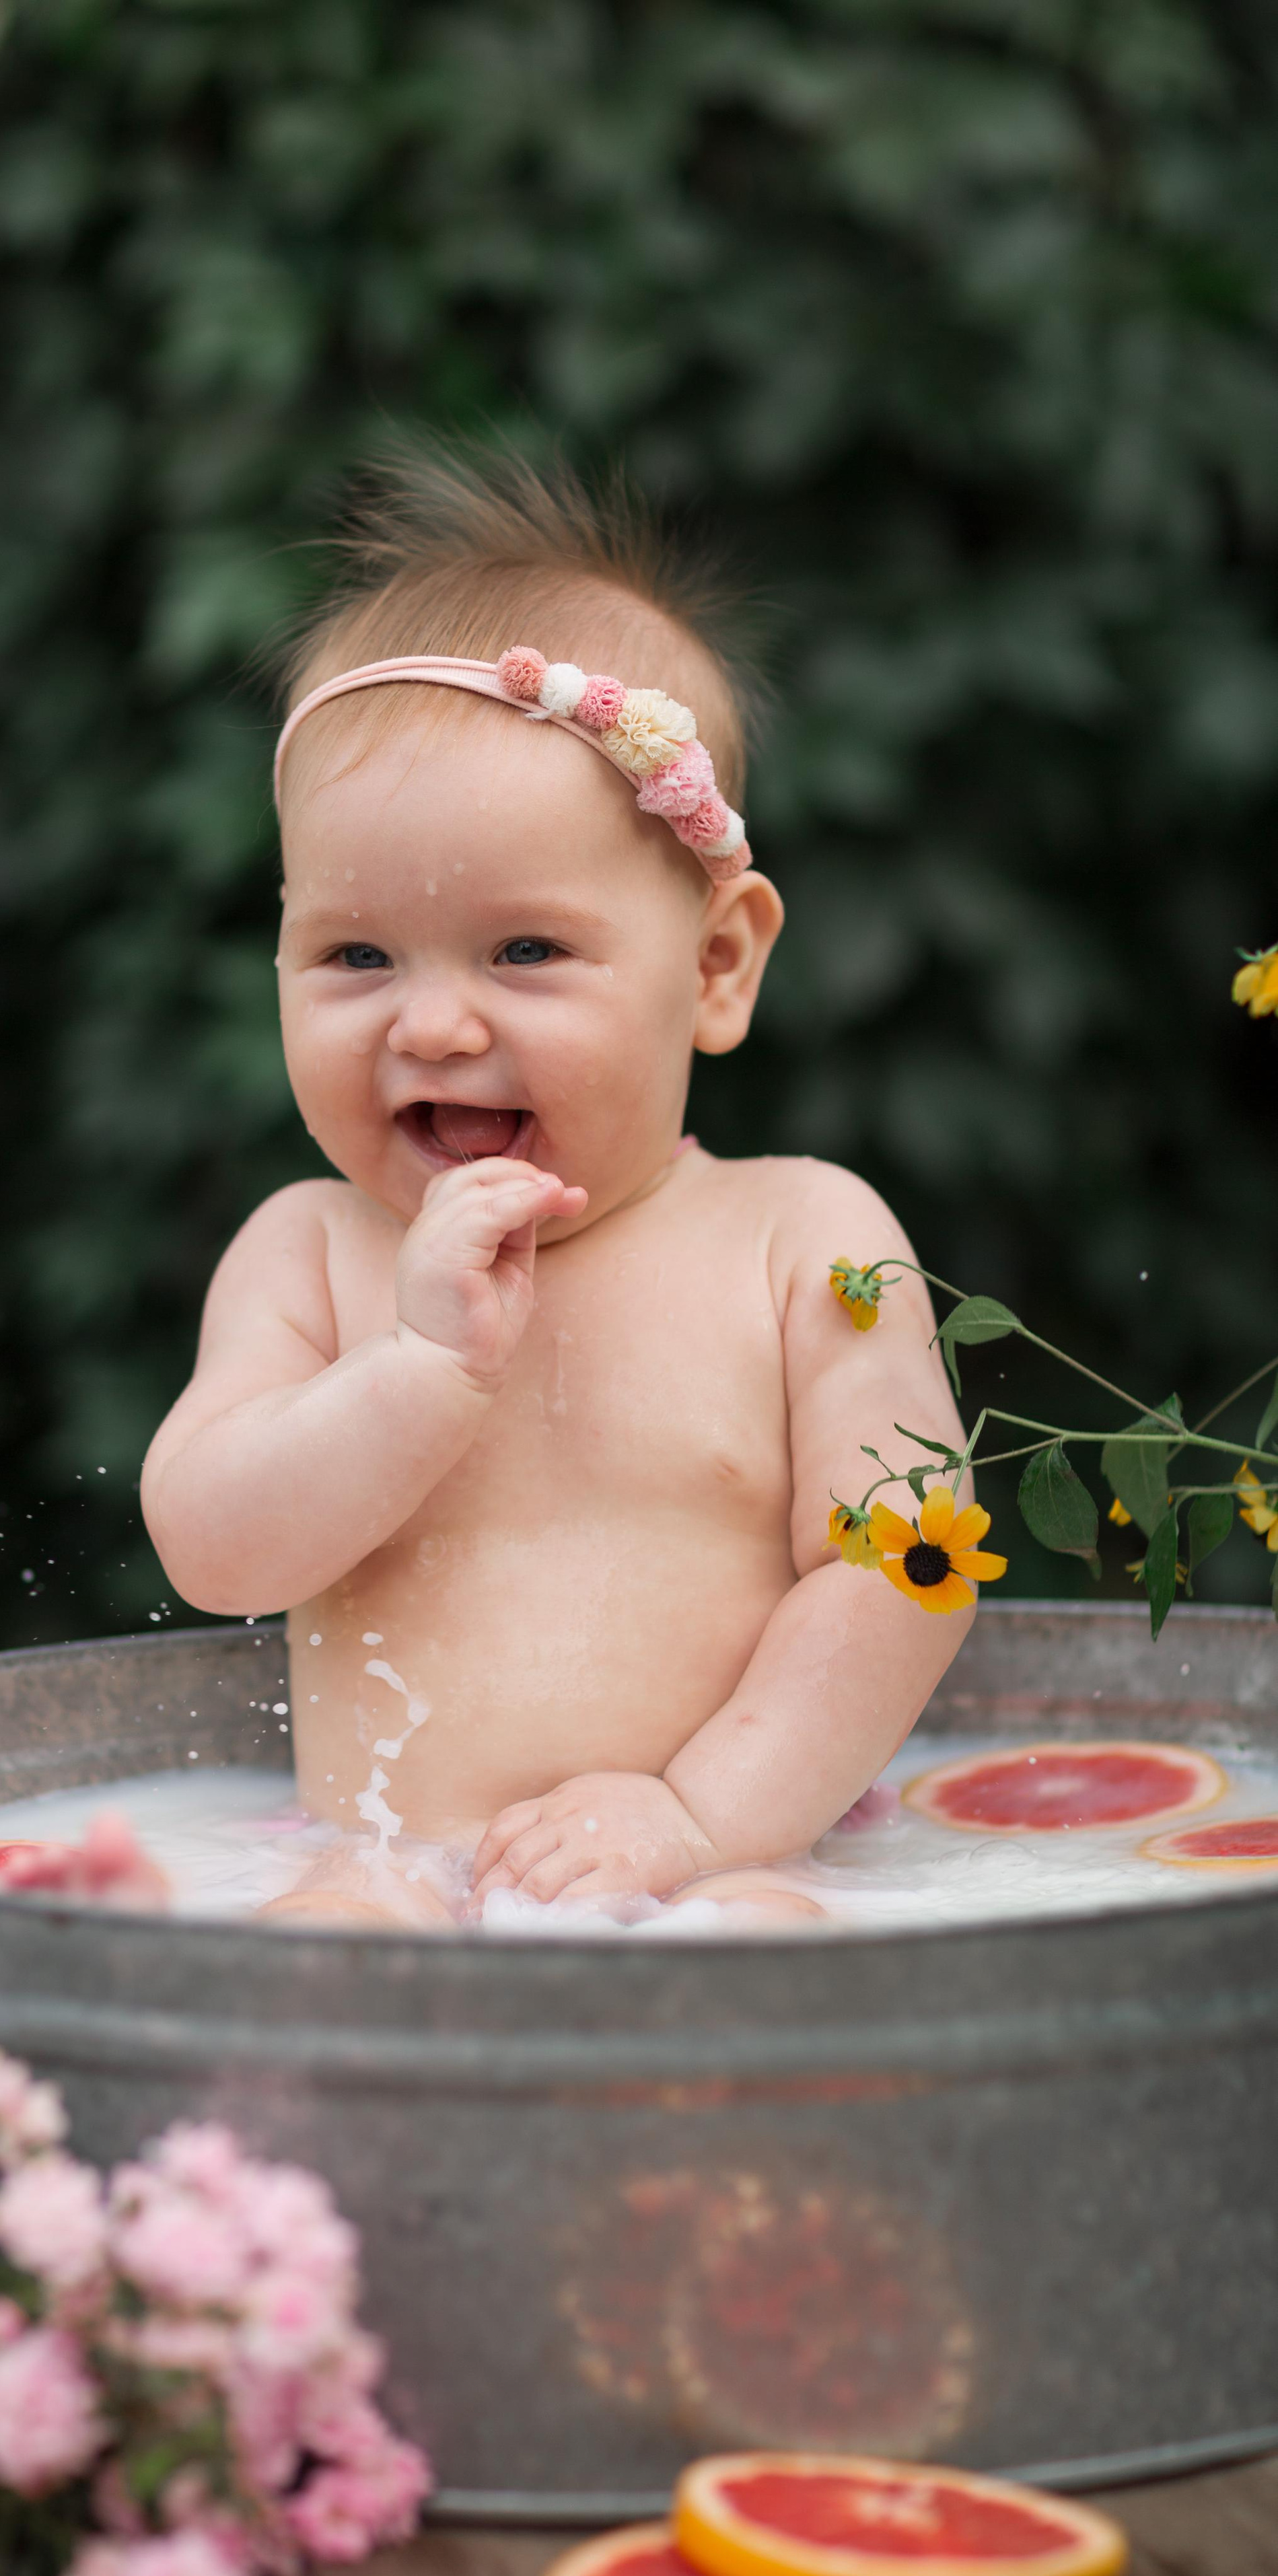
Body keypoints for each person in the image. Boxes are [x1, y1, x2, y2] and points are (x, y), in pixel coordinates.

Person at [141, 451, 991, 1931]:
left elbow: (903, 1574)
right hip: (391, 1865)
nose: (430, 1025)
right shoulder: (311, 1255)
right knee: (306, 1967)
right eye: (354, 954)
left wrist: (697, 1817)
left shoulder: (803, 1240)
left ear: (715, 965)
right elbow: (215, 1553)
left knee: (767, 1967)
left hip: (732, 1860)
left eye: (524, 951)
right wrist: (415, 1375)